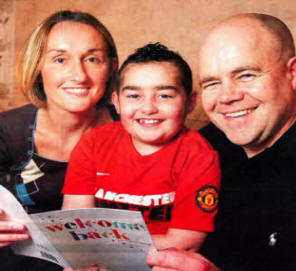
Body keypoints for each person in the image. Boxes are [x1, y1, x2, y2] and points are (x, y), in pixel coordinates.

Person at [147, 13, 296, 271]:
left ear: (292, 74)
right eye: (212, 83)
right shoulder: (197, 149)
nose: (226, 97)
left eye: (246, 75)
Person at [62, 43, 220, 252]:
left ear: (190, 102)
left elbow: (186, 243)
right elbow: (73, 222)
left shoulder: (199, 157)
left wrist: (107, 249)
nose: (148, 108)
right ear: (116, 102)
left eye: (164, 96)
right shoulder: (93, 143)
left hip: (161, 261)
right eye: (134, 96)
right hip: (98, 258)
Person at [0, 10, 118, 270]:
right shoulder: (8, 130)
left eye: (92, 59)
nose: (79, 75)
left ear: (111, 67)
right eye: (60, 59)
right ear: (38, 66)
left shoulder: (133, 128)